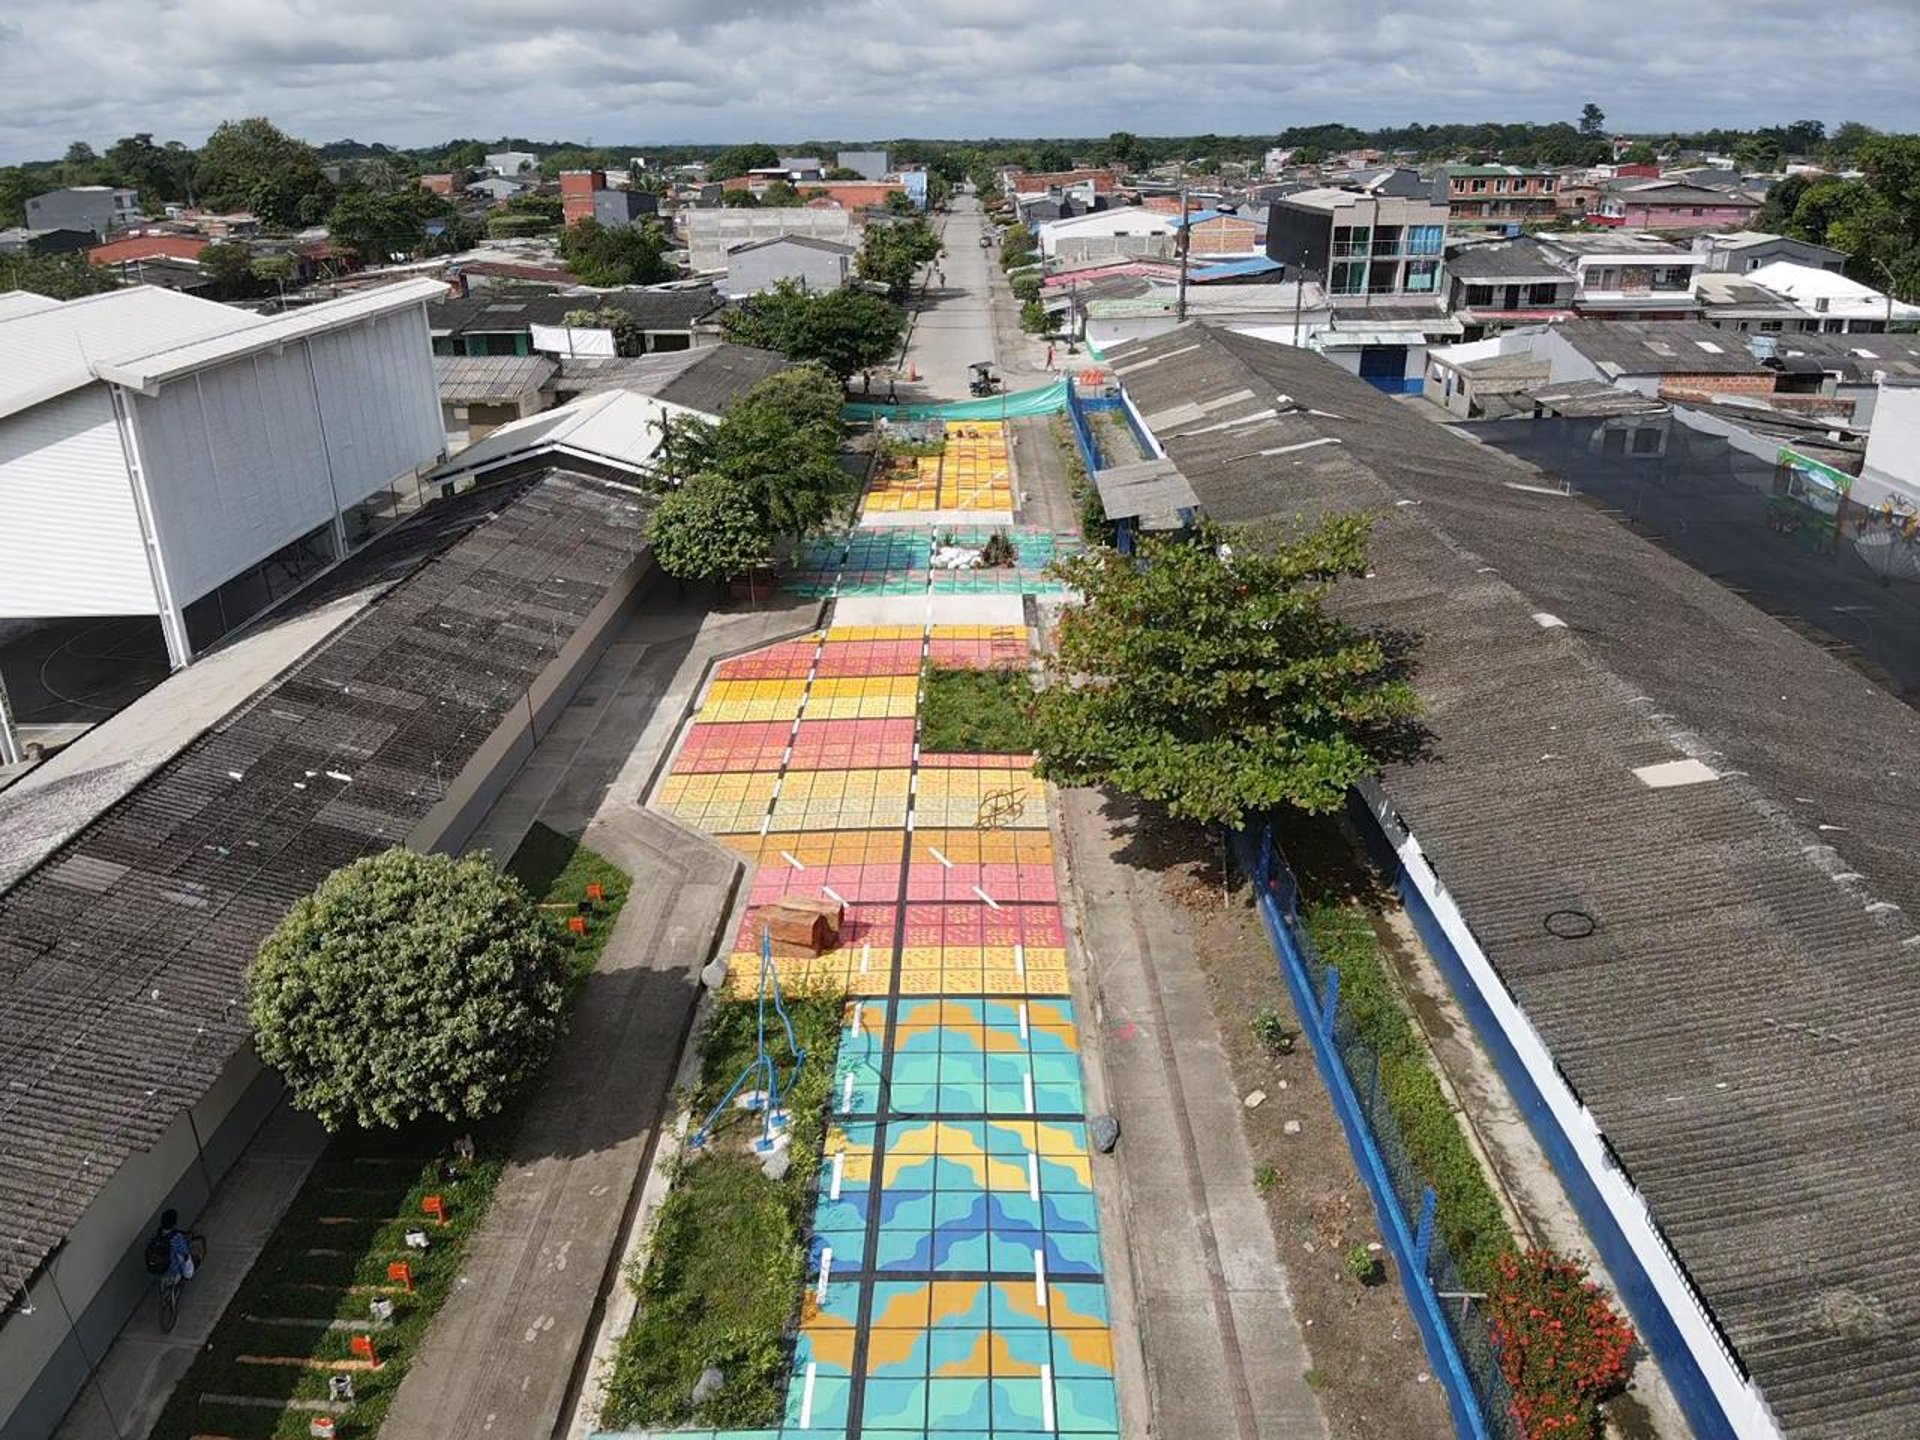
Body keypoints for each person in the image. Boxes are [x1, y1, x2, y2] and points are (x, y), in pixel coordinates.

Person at [155, 1209, 193, 1283]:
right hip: (173, 1265)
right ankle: (188, 1275)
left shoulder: (158, 1234)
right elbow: (184, 1251)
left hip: (162, 1263)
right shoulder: (176, 1237)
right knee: (186, 1257)